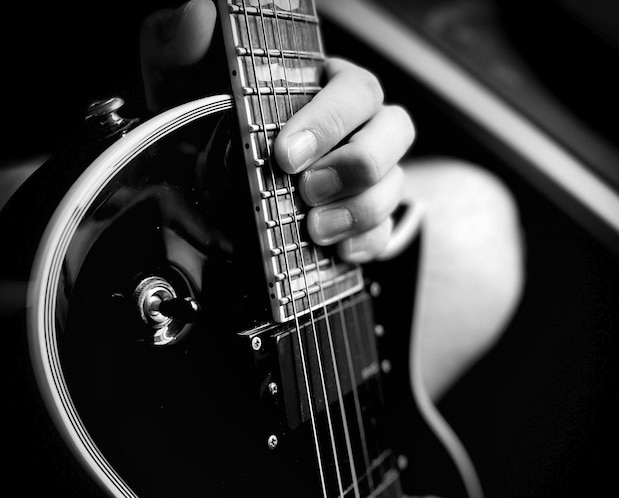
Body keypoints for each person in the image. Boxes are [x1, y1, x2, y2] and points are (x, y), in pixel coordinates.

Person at [0, 0, 524, 401]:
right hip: (44, 227)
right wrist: (125, 174)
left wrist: (335, 165)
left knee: (477, 216)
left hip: (208, 214)